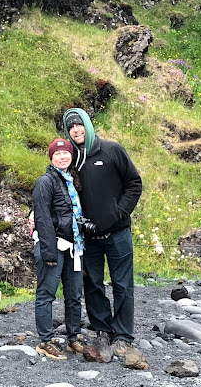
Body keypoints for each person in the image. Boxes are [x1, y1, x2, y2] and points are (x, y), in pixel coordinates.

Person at [62, 107, 144, 363]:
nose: (76, 129)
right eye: (71, 126)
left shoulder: (111, 150)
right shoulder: (69, 158)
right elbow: (56, 187)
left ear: (87, 124)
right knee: (93, 284)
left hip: (117, 232)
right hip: (88, 237)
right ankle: (102, 329)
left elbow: (134, 183)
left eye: (79, 124)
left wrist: (119, 213)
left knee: (122, 285)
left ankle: (123, 336)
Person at [31, 138, 86, 360]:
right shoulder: (45, 181)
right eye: (57, 154)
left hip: (74, 245)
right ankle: (45, 340)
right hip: (52, 245)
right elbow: (42, 217)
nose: (63, 157)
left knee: (74, 295)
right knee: (46, 294)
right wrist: (49, 251)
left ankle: (73, 337)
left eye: (66, 153)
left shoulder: (72, 181)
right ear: (51, 158)